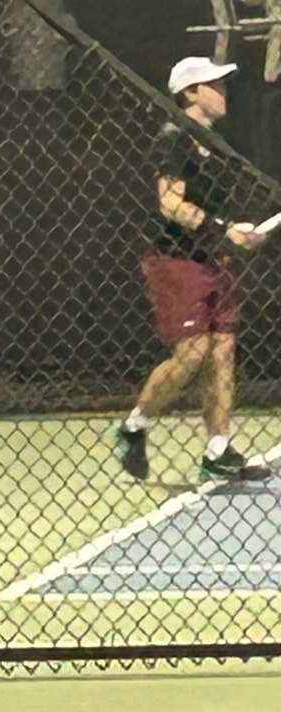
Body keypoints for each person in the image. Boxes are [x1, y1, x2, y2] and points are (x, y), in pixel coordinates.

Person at [114, 57, 272, 485]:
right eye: (214, 84)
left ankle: (217, 449)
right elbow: (170, 205)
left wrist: (237, 236)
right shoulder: (175, 139)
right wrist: (224, 230)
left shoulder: (214, 144)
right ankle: (134, 424)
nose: (223, 92)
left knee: (222, 349)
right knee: (194, 353)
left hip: (211, 260)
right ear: (189, 93)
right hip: (173, 261)